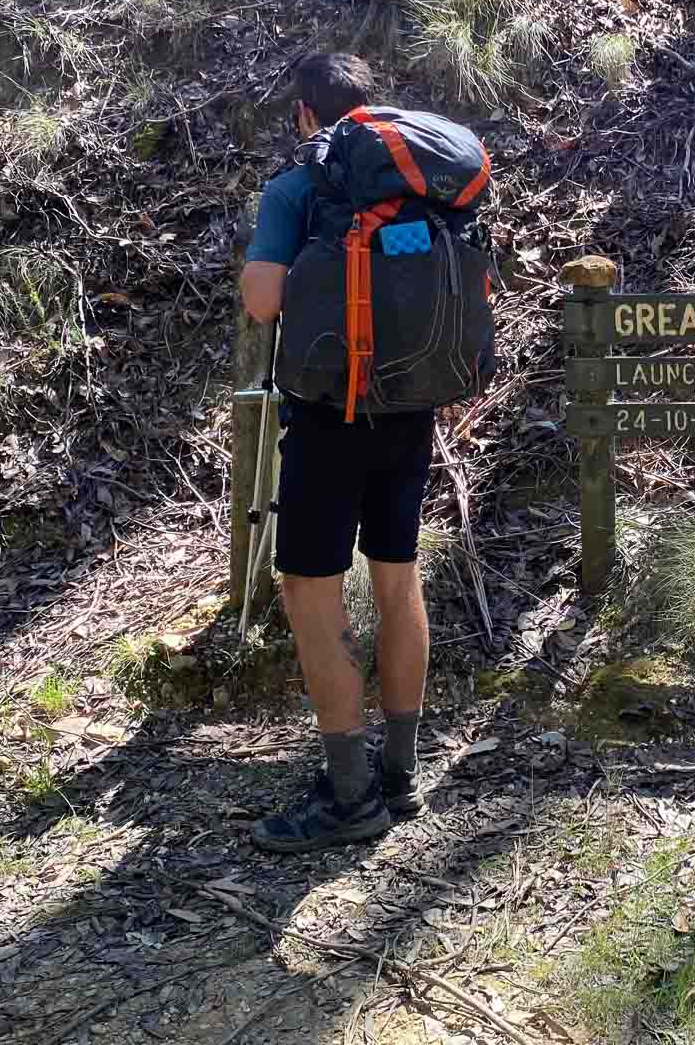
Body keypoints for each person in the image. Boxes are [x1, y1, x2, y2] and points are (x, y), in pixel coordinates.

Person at [239, 49, 434, 851]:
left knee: (311, 593)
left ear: (303, 114)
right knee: (397, 577)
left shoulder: (298, 187)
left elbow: (261, 303)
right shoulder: (418, 183)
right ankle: (398, 773)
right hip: (410, 404)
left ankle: (350, 798)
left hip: (328, 415)